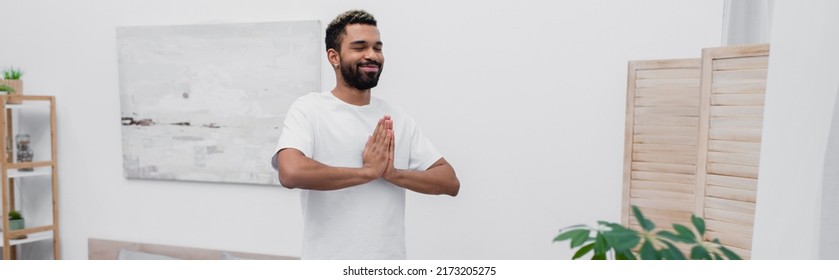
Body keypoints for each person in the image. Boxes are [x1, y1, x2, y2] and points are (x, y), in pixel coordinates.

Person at [270, 10, 460, 260]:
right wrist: (367, 173)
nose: (372, 55)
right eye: (360, 47)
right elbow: (291, 172)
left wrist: (392, 174)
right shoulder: (310, 109)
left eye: (377, 48)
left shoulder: (397, 118)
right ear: (334, 57)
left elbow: (449, 181)